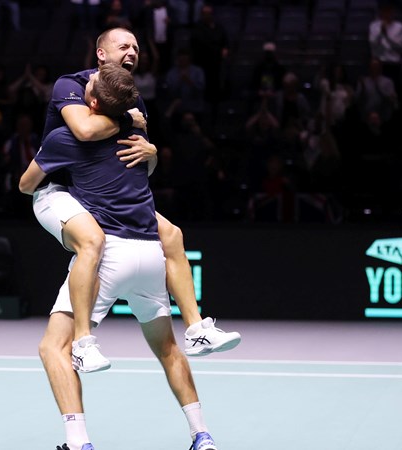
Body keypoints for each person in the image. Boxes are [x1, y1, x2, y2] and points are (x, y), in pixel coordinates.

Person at [19, 63, 220, 450]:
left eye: (89, 86)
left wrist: (64, 186)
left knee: (51, 348)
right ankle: (202, 434)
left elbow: (27, 185)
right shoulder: (137, 133)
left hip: (111, 254)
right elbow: (142, 170)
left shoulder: (65, 136)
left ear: (91, 102)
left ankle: (78, 438)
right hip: (151, 255)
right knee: (167, 347)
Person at [33, 27, 241, 373]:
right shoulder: (70, 86)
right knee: (92, 242)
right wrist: (126, 118)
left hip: (101, 190)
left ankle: (196, 329)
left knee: (172, 234)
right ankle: (83, 343)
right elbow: (84, 130)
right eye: (123, 46)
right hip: (63, 191)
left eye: (137, 47)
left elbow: (139, 165)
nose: (132, 52)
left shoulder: (131, 96)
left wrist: (154, 152)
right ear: (101, 54)